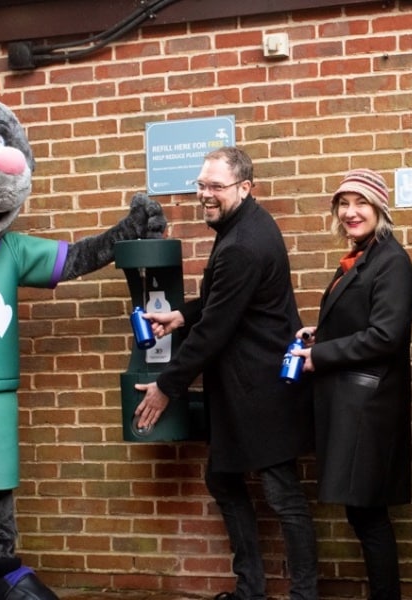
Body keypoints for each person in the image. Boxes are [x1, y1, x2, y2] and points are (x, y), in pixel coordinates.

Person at [130, 147, 317, 600]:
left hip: (263, 388)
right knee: (225, 478)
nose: (205, 194)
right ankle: (250, 589)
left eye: (216, 186)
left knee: (282, 494)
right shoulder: (241, 226)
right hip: (246, 386)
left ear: (244, 188)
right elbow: (224, 303)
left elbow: (216, 329)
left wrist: (165, 387)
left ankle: (302, 594)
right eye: (201, 185)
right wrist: (181, 315)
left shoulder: (243, 243)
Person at [286, 169, 412, 600]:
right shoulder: (361, 259)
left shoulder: (391, 262)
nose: (351, 212)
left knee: (368, 516)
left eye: (360, 203)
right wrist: (320, 336)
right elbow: (360, 323)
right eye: (344, 204)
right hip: (354, 405)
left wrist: (319, 357)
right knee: (363, 515)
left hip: (369, 409)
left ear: (380, 208)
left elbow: (385, 336)